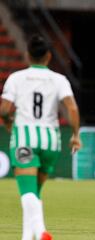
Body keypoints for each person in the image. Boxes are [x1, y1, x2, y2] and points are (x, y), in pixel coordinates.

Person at [0, 35, 81, 240]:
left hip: (24, 139)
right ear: (48, 56)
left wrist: (9, 122)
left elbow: (4, 110)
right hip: (50, 141)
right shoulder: (58, 79)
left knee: (27, 190)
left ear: (27, 55)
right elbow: (71, 107)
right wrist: (75, 135)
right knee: (35, 191)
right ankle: (28, 236)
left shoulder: (16, 78)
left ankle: (41, 230)